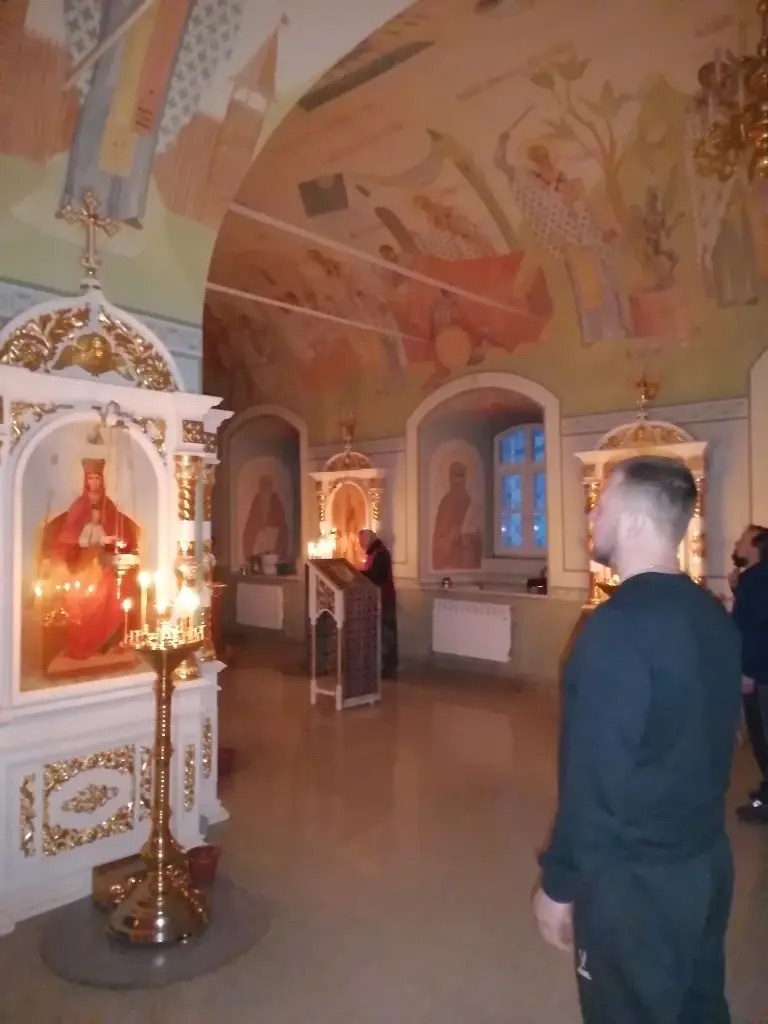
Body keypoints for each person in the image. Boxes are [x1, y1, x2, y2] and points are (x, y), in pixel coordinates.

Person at [533, 455, 741, 1024]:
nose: (591, 518)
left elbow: (595, 780)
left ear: (633, 522)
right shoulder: (712, 614)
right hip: (704, 861)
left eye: (600, 506)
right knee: (698, 1007)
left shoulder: (616, 628)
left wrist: (559, 883)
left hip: (635, 883)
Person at [729, 524, 768, 823]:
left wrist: (747, 671)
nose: (736, 543)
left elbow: (754, 629)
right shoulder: (754, 578)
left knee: (762, 736)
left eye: (742, 539)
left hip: (759, 673)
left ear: (755, 545)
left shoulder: (755, 579)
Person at [358, 529, 398, 679]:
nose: (360, 544)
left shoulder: (380, 554)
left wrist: (357, 573)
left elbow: (374, 576)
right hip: (380, 597)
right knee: (383, 631)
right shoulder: (374, 553)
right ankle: (383, 664)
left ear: (369, 539)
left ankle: (388, 665)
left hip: (384, 598)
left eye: (362, 540)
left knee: (386, 632)